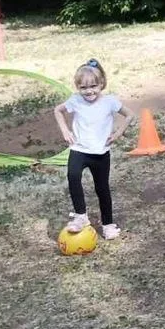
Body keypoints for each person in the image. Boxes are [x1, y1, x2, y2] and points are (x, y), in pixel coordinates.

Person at [53, 59, 131, 239]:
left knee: (102, 188)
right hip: (79, 150)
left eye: (93, 86)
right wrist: (65, 130)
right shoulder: (75, 100)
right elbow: (58, 110)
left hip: (100, 153)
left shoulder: (110, 101)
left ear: (101, 83)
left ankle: (108, 225)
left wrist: (118, 133)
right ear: (77, 87)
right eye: (83, 88)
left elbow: (129, 115)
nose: (89, 91)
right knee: (73, 176)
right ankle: (81, 216)